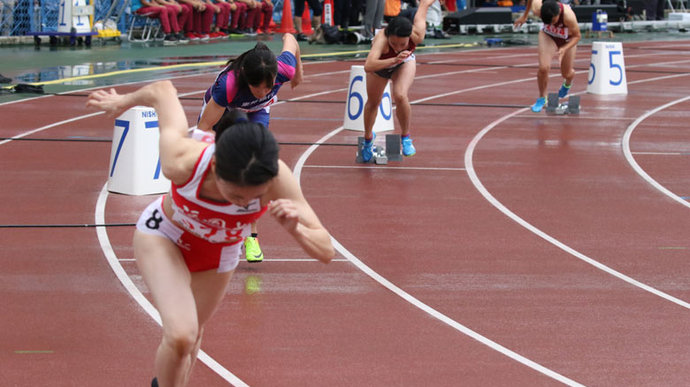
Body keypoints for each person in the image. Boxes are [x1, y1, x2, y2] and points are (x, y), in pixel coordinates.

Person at [86, 80, 334, 387]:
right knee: (180, 335)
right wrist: (122, 100)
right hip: (165, 237)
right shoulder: (182, 160)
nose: (244, 203)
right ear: (215, 165)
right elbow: (163, 91)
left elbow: (326, 252)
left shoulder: (277, 178)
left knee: (191, 341)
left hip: (219, 254)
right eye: (236, 195)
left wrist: (296, 229)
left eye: (252, 198)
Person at [196, 34, 303, 262]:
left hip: (258, 112)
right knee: (216, 166)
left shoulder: (285, 69)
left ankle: (251, 237)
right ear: (246, 78)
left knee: (254, 168)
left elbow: (290, 39)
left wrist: (298, 73)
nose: (264, 92)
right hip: (225, 111)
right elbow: (203, 128)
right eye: (257, 88)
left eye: (269, 88)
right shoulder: (228, 86)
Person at [360, 0, 436, 162]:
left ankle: (406, 137)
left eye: (402, 44)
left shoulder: (417, 35)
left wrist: (427, 2)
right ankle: (367, 140)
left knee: (400, 95)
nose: (398, 47)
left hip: (403, 63)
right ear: (388, 36)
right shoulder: (382, 38)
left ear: (409, 37)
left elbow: (423, 7)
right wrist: (393, 59)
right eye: (393, 43)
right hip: (381, 66)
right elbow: (369, 65)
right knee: (373, 102)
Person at [514, 0, 581, 112]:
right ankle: (542, 98)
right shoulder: (538, 9)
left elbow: (577, 36)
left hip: (567, 40)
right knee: (543, 68)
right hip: (548, 35)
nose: (552, 24)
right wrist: (524, 16)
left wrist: (564, 49)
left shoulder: (568, 16)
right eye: (548, 23)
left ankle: (568, 83)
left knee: (567, 73)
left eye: (553, 21)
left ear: (558, 13)